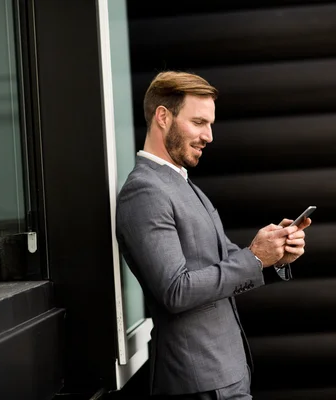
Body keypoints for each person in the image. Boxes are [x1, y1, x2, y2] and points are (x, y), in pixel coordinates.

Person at [115, 71, 311, 399]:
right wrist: (254, 257)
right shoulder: (145, 191)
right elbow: (175, 291)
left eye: (210, 124)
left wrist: (274, 254)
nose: (209, 136)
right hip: (200, 383)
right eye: (198, 122)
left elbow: (224, 260)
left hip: (222, 374)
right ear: (163, 117)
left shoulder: (181, 184)